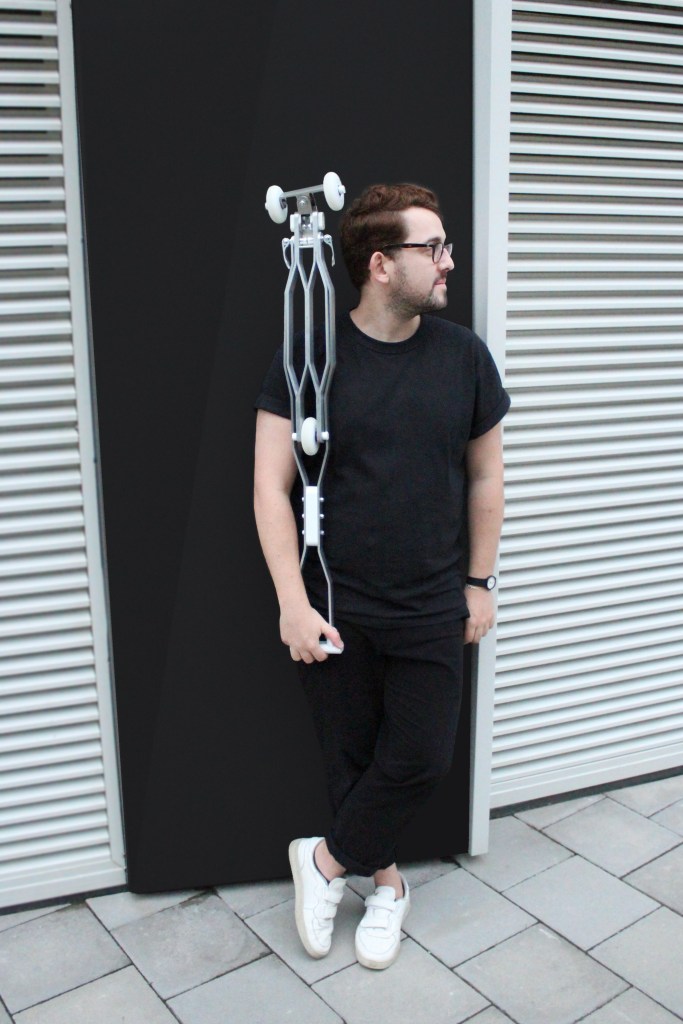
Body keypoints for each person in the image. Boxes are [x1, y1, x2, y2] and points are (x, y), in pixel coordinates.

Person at [253, 182, 510, 970]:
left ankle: (324, 861)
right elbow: (269, 486)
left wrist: (479, 583)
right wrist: (291, 604)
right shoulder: (308, 357)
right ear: (379, 264)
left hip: (432, 600)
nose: (447, 261)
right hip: (336, 601)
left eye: (445, 246)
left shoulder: (463, 356)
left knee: (421, 757)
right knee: (352, 760)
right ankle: (387, 885)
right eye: (432, 248)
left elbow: (486, 477)